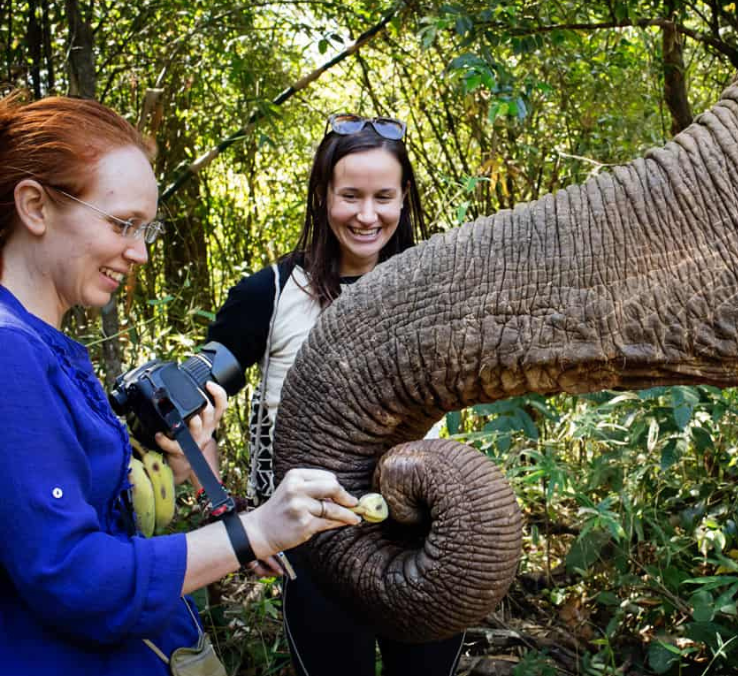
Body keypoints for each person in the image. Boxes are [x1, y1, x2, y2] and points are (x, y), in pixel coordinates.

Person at [0, 91, 362, 674]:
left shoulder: (47, 344)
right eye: (122, 223)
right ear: (35, 206)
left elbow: (80, 520)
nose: (139, 252)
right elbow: (72, 578)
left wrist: (178, 466)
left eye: (148, 228)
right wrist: (256, 532)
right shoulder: (10, 351)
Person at [206, 113, 463, 676]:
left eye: (383, 197)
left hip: (422, 535)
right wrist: (236, 521)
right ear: (323, 196)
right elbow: (200, 400)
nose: (367, 215)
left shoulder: (434, 287)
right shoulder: (270, 294)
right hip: (315, 543)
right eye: (350, 195)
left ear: (404, 199)